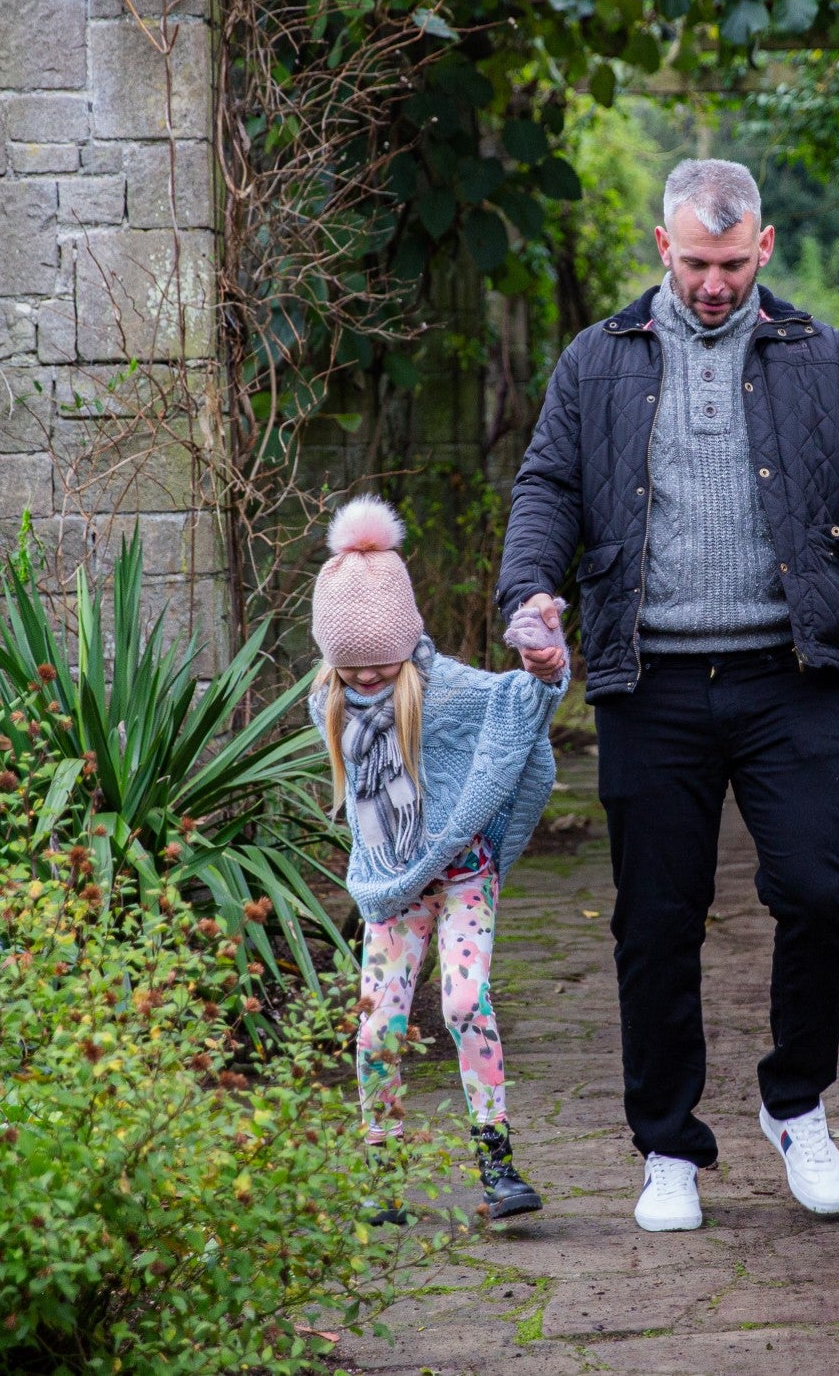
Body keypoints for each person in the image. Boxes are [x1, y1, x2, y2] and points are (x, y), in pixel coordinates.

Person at [495, 157, 839, 1234]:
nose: (714, 283)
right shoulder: (597, 361)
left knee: (819, 891)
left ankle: (795, 1104)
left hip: (785, 673)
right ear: (664, 248)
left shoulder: (816, 356)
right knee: (655, 921)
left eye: (733, 262)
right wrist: (530, 593)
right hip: (646, 680)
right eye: (696, 262)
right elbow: (547, 488)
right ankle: (668, 1145)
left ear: (764, 247)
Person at [311, 495, 562, 1222]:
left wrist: (546, 665)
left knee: (462, 1000)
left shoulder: (446, 687)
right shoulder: (325, 698)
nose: (365, 678)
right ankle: (380, 1172)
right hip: (391, 885)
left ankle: (497, 1163)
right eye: (349, 665)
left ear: (406, 640)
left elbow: (522, 704)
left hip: (463, 876)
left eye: (378, 663)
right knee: (375, 1027)